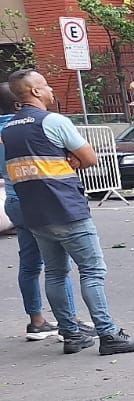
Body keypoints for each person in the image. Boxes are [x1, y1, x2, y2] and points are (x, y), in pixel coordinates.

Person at [3, 70, 134, 355]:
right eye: (45, 85)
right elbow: (90, 157)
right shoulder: (54, 122)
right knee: (92, 271)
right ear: (33, 92)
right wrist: (71, 159)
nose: (50, 89)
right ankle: (108, 334)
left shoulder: (8, 131)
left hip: (34, 213)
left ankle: (71, 335)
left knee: (55, 273)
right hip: (67, 209)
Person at [0, 82, 70, 341]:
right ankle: (69, 322)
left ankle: (36, 320)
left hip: (15, 199)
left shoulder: (4, 130)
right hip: (41, 199)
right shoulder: (28, 126)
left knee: (29, 262)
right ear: (19, 103)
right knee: (58, 264)